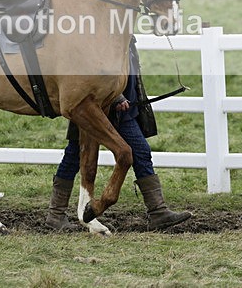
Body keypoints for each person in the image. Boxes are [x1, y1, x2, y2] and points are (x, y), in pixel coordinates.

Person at [45, 38, 192, 231]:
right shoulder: (104, 35)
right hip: (99, 108)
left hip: (120, 109)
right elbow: (95, 70)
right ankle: (157, 211)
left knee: (138, 152)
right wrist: (116, 96)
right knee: (78, 154)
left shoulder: (122, 35)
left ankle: (158, 211)